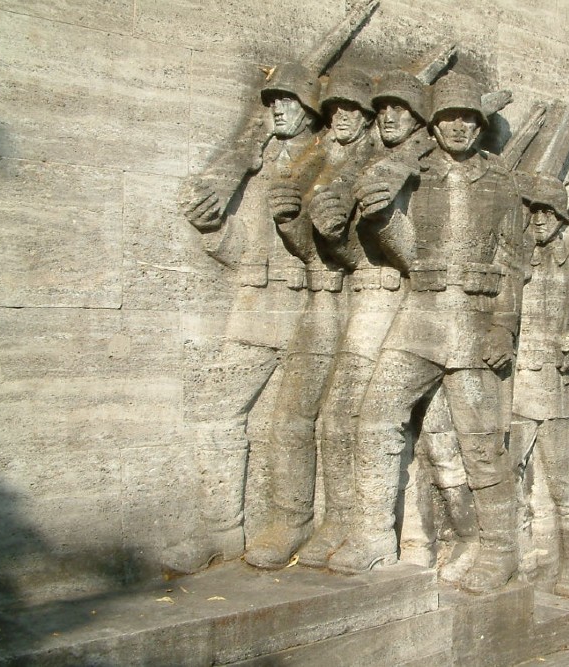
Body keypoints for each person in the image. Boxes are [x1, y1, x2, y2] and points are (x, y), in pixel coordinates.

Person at [328, 72, 525, 595]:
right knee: (374, 416)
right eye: (448, 117)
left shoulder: (501, 183)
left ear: (479, 126)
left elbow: (513, 264)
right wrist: (378, 217)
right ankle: (372, 536)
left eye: (468, 118)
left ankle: (501, 551)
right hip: (420, 314)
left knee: (480, 445)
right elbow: (406, 250)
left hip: (476, 320)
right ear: (433, 124)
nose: (458, 126)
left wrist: (504, 327)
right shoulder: (411, 172)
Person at [163, 63, 320, 574]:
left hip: (315, 310)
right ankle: (222, 531)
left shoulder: (330, 162)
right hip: (255, 310)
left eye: (287, 100)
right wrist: (213, 230)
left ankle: (295, 522)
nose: (276, 108)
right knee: (215, 412)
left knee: (294, 426)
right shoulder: (259, 165)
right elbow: (245, 251)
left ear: (311, 108)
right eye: (272, 100)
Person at [293, 68, 434, 567]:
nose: (390, 116)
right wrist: (329, 231)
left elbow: (422, 258)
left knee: (359, 414)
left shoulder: (425, 167)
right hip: (365, 293)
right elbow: (359, 253)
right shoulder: (378, 163)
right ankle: (339, 522)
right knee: (336, 415)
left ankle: (368, 533)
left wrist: (381, 220)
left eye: (402, 109)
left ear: (420, 118)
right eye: (386, 108)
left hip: (398, 301)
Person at [244, 67, 377, 568]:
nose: (341, 118)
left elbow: (374, 251)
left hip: (362, 297)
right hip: (321, 297)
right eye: (335, 109)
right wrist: (291, 221)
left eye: (351, 110)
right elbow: (310, 250)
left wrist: (335, 231)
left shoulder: (377, 161)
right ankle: (291, 517)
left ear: (366, 117)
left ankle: (340, 520)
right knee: (291, 416)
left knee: (341, 419)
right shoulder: (317, 156)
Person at [511, 173, 569, 597]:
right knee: (507, 477)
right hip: (513, 387)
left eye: (548, 212)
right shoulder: (515, 255)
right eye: (535, 211)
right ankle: (518, 561)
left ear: (561, 217)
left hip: (553, 389)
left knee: (562, 483)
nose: (540, 219)